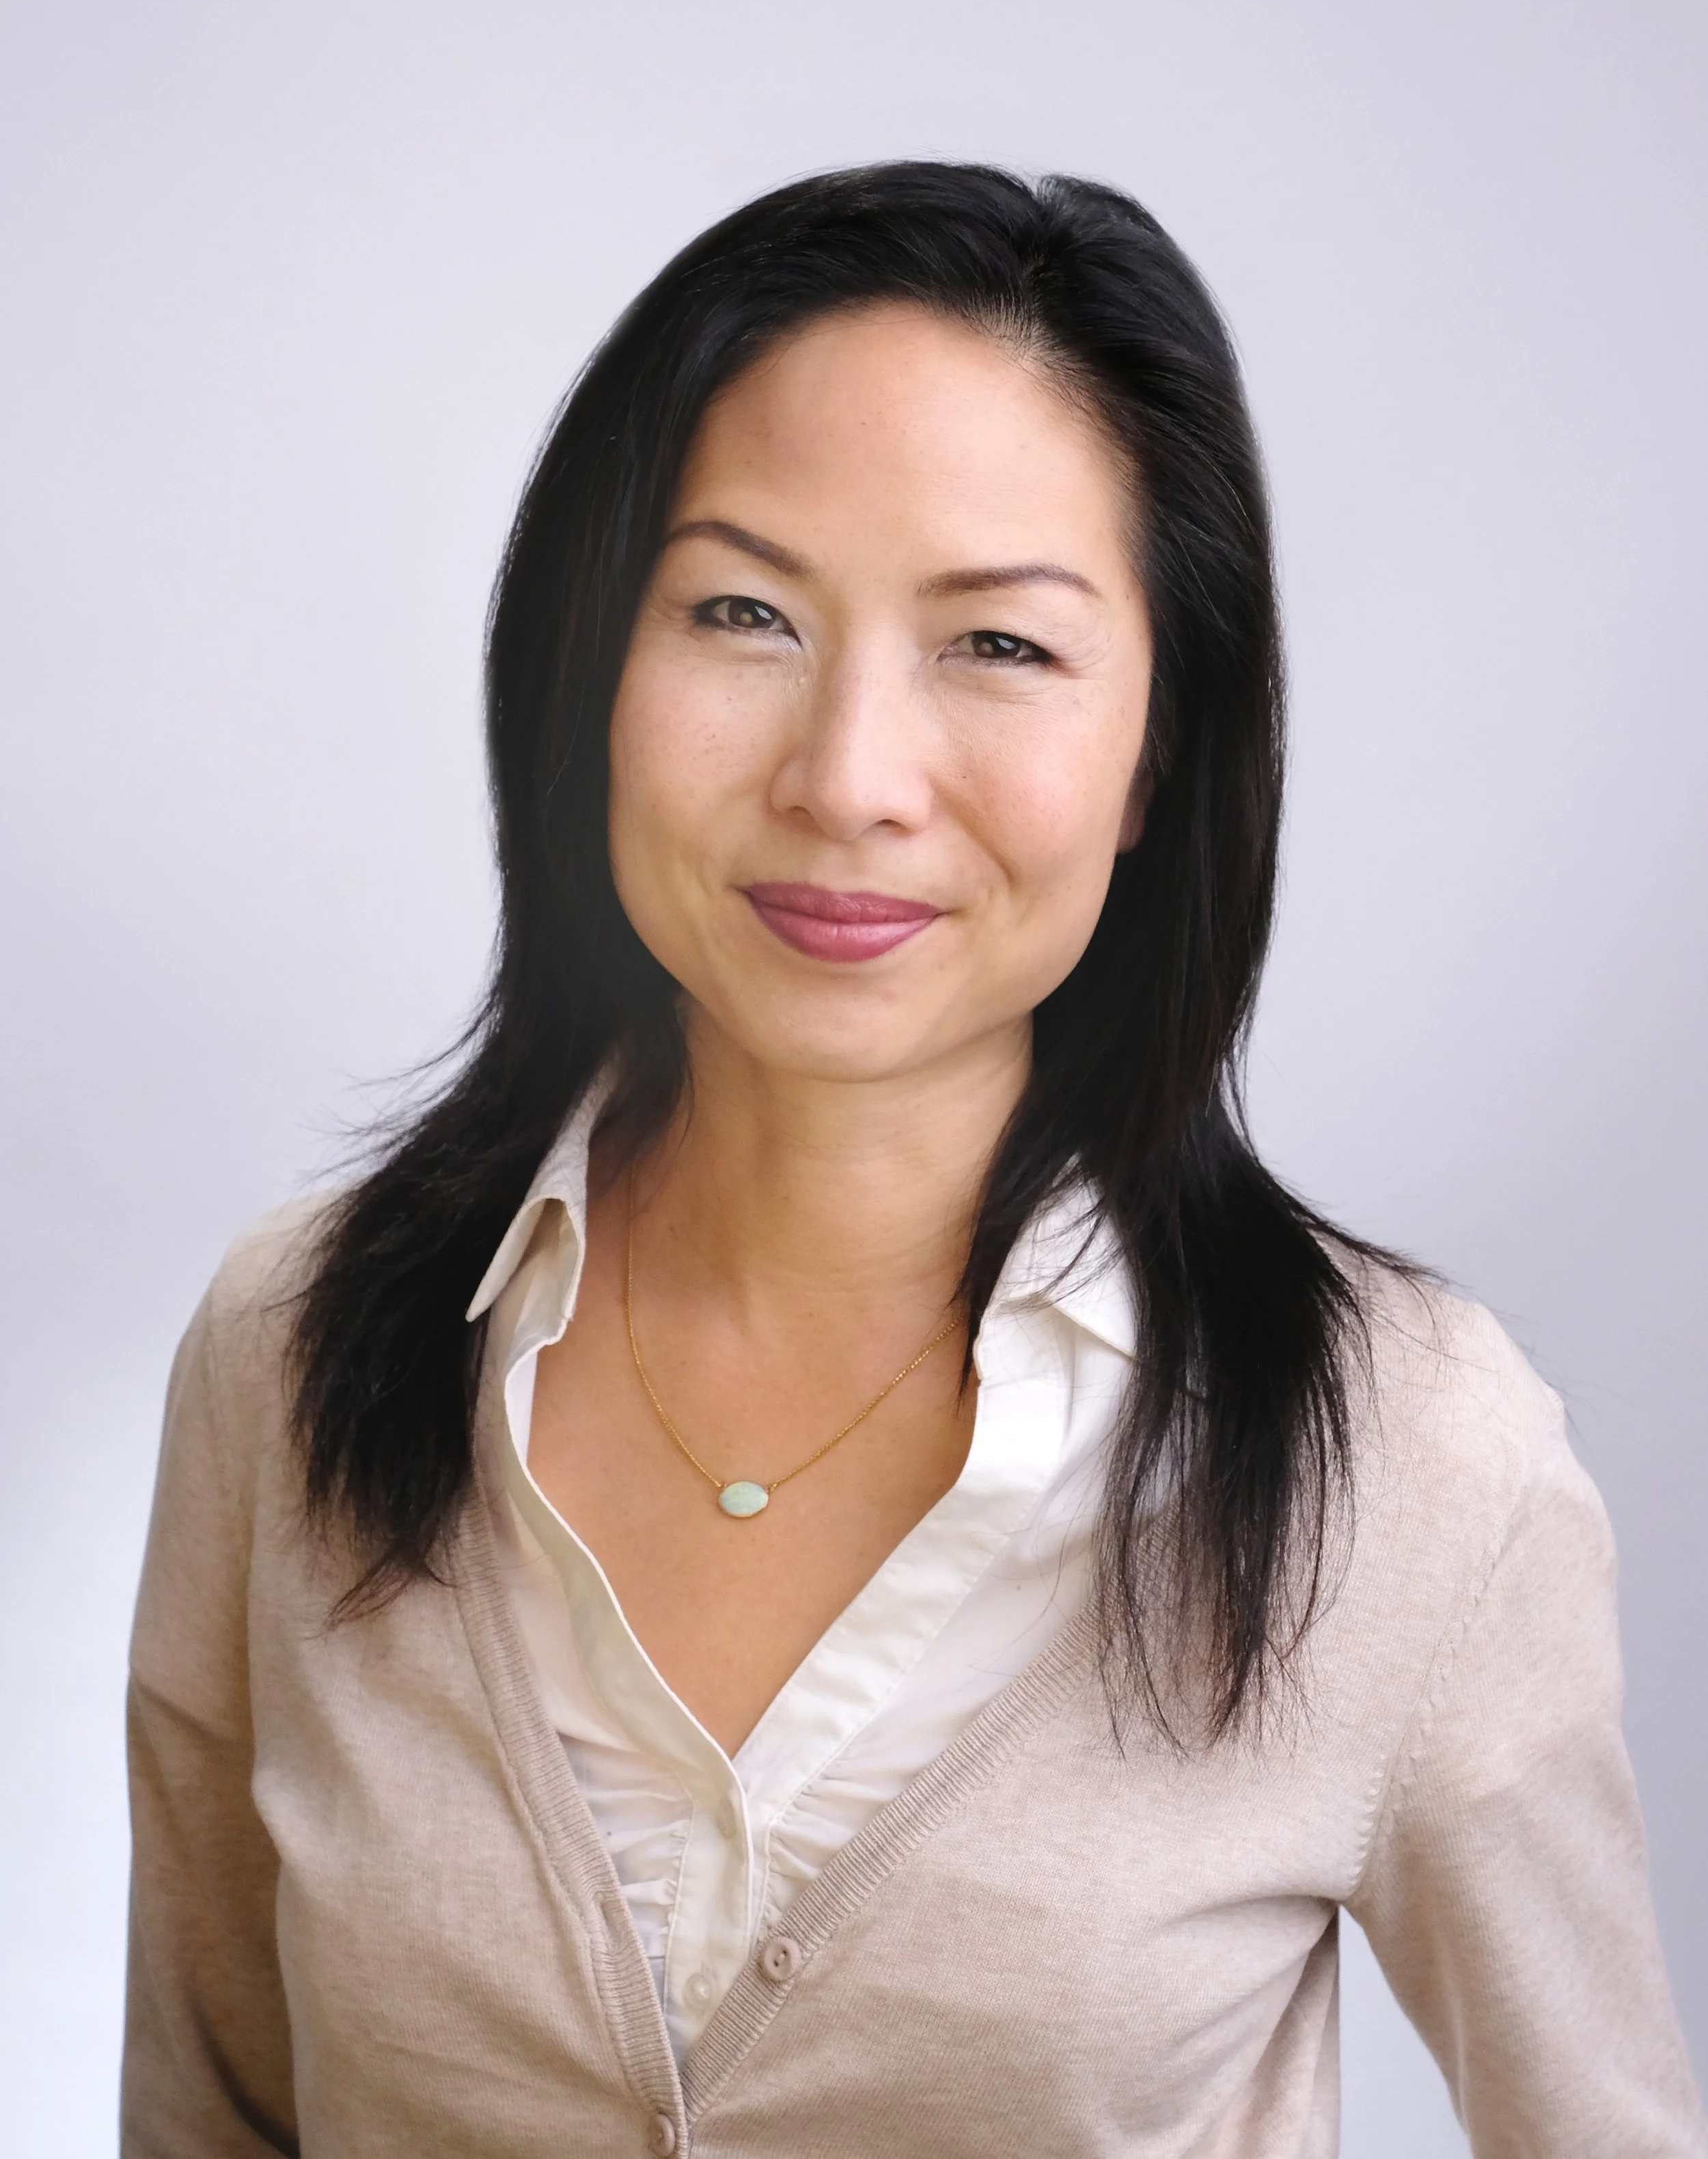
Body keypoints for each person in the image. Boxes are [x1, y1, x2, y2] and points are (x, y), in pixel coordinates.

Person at [122, 163, 1706, 2158]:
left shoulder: (1406, 1457)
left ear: (1158, 748)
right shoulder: (293, 1348)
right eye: (742, 613)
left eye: (999, 646)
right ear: (584, 670)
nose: (848, 777)